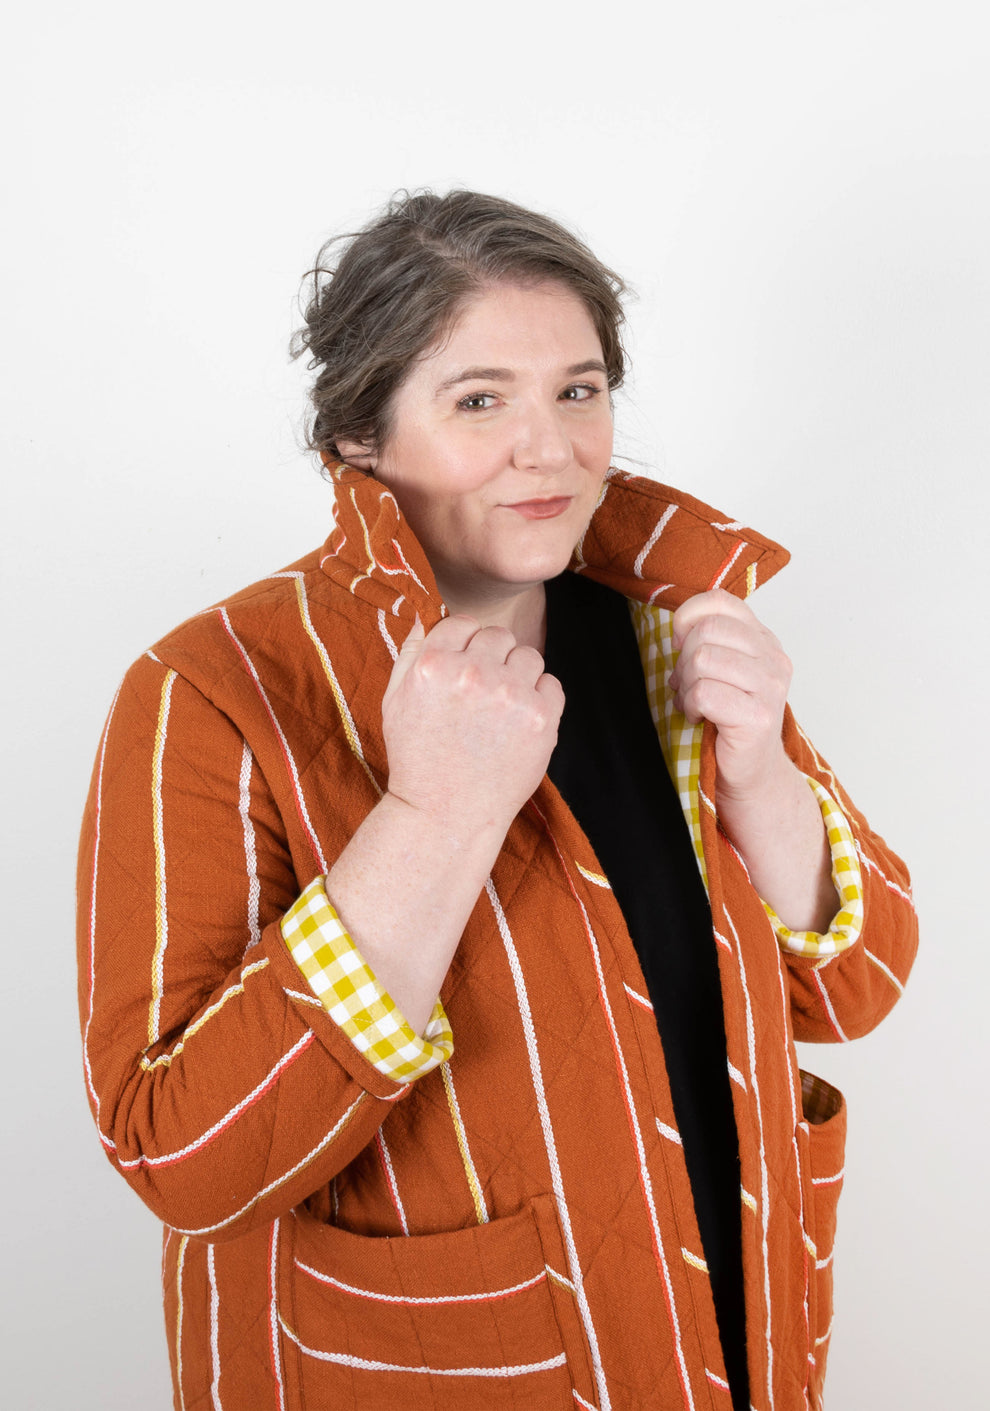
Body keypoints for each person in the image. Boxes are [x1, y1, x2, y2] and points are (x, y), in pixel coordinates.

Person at [77, 190, 917, 1411]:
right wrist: (435, 818)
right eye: (481, 400)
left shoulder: (674, 637)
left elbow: (859, 984)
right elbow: (181, 1154)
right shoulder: (211, 688)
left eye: (579, 390)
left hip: (733, 1345)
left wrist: (763, 777)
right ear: (364, 434)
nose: (551, 446)